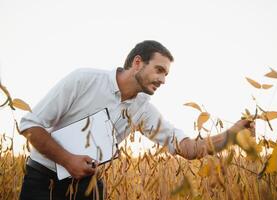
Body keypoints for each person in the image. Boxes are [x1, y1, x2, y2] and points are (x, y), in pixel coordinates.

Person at [19, 40, 254, 200]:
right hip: (42, 180)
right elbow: (30, 125)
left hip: (86, 185)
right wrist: (68, 160)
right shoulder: (84, 80)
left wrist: (233, 133)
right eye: (159, 70)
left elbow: (189, 149)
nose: (163, 80)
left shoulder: (143, 111)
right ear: (138, 63)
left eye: (166, 74)